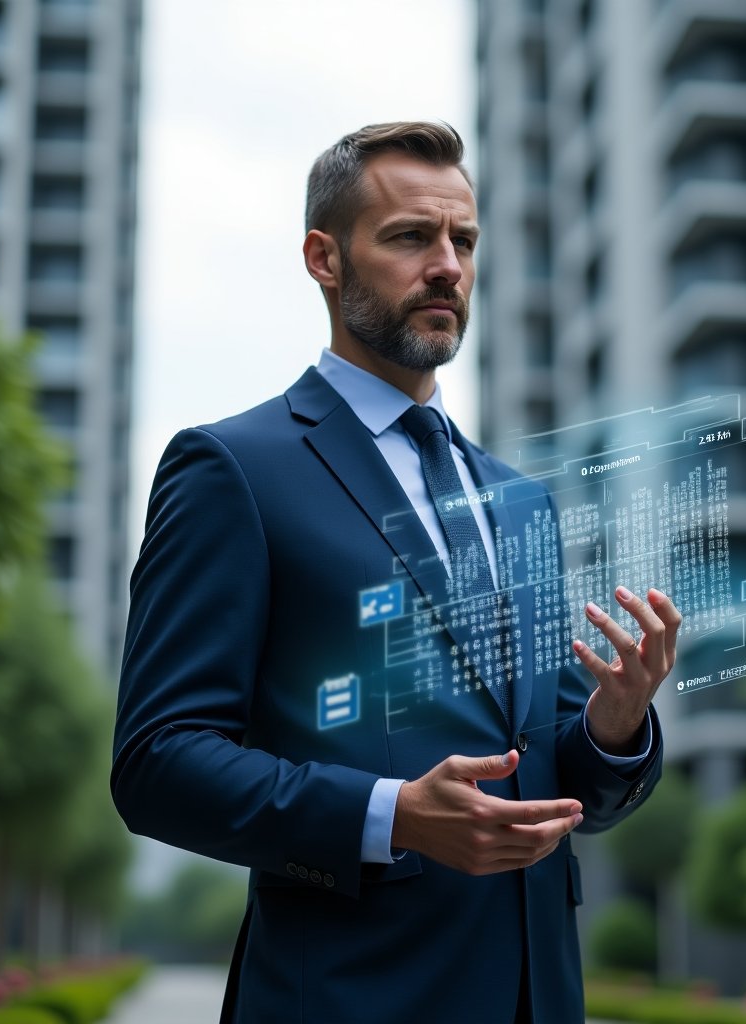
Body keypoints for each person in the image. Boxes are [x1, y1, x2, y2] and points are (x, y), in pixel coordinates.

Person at [112, 121, 681, 1024]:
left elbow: (554, 782)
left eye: (464, 240)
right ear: (324, 259)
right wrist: (389, 815)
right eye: (412, 236)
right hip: (348, 995)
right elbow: (157, 763)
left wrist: (613, 727)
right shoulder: (233, 469)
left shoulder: (520, 502)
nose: (449, 265)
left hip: (541, 998)